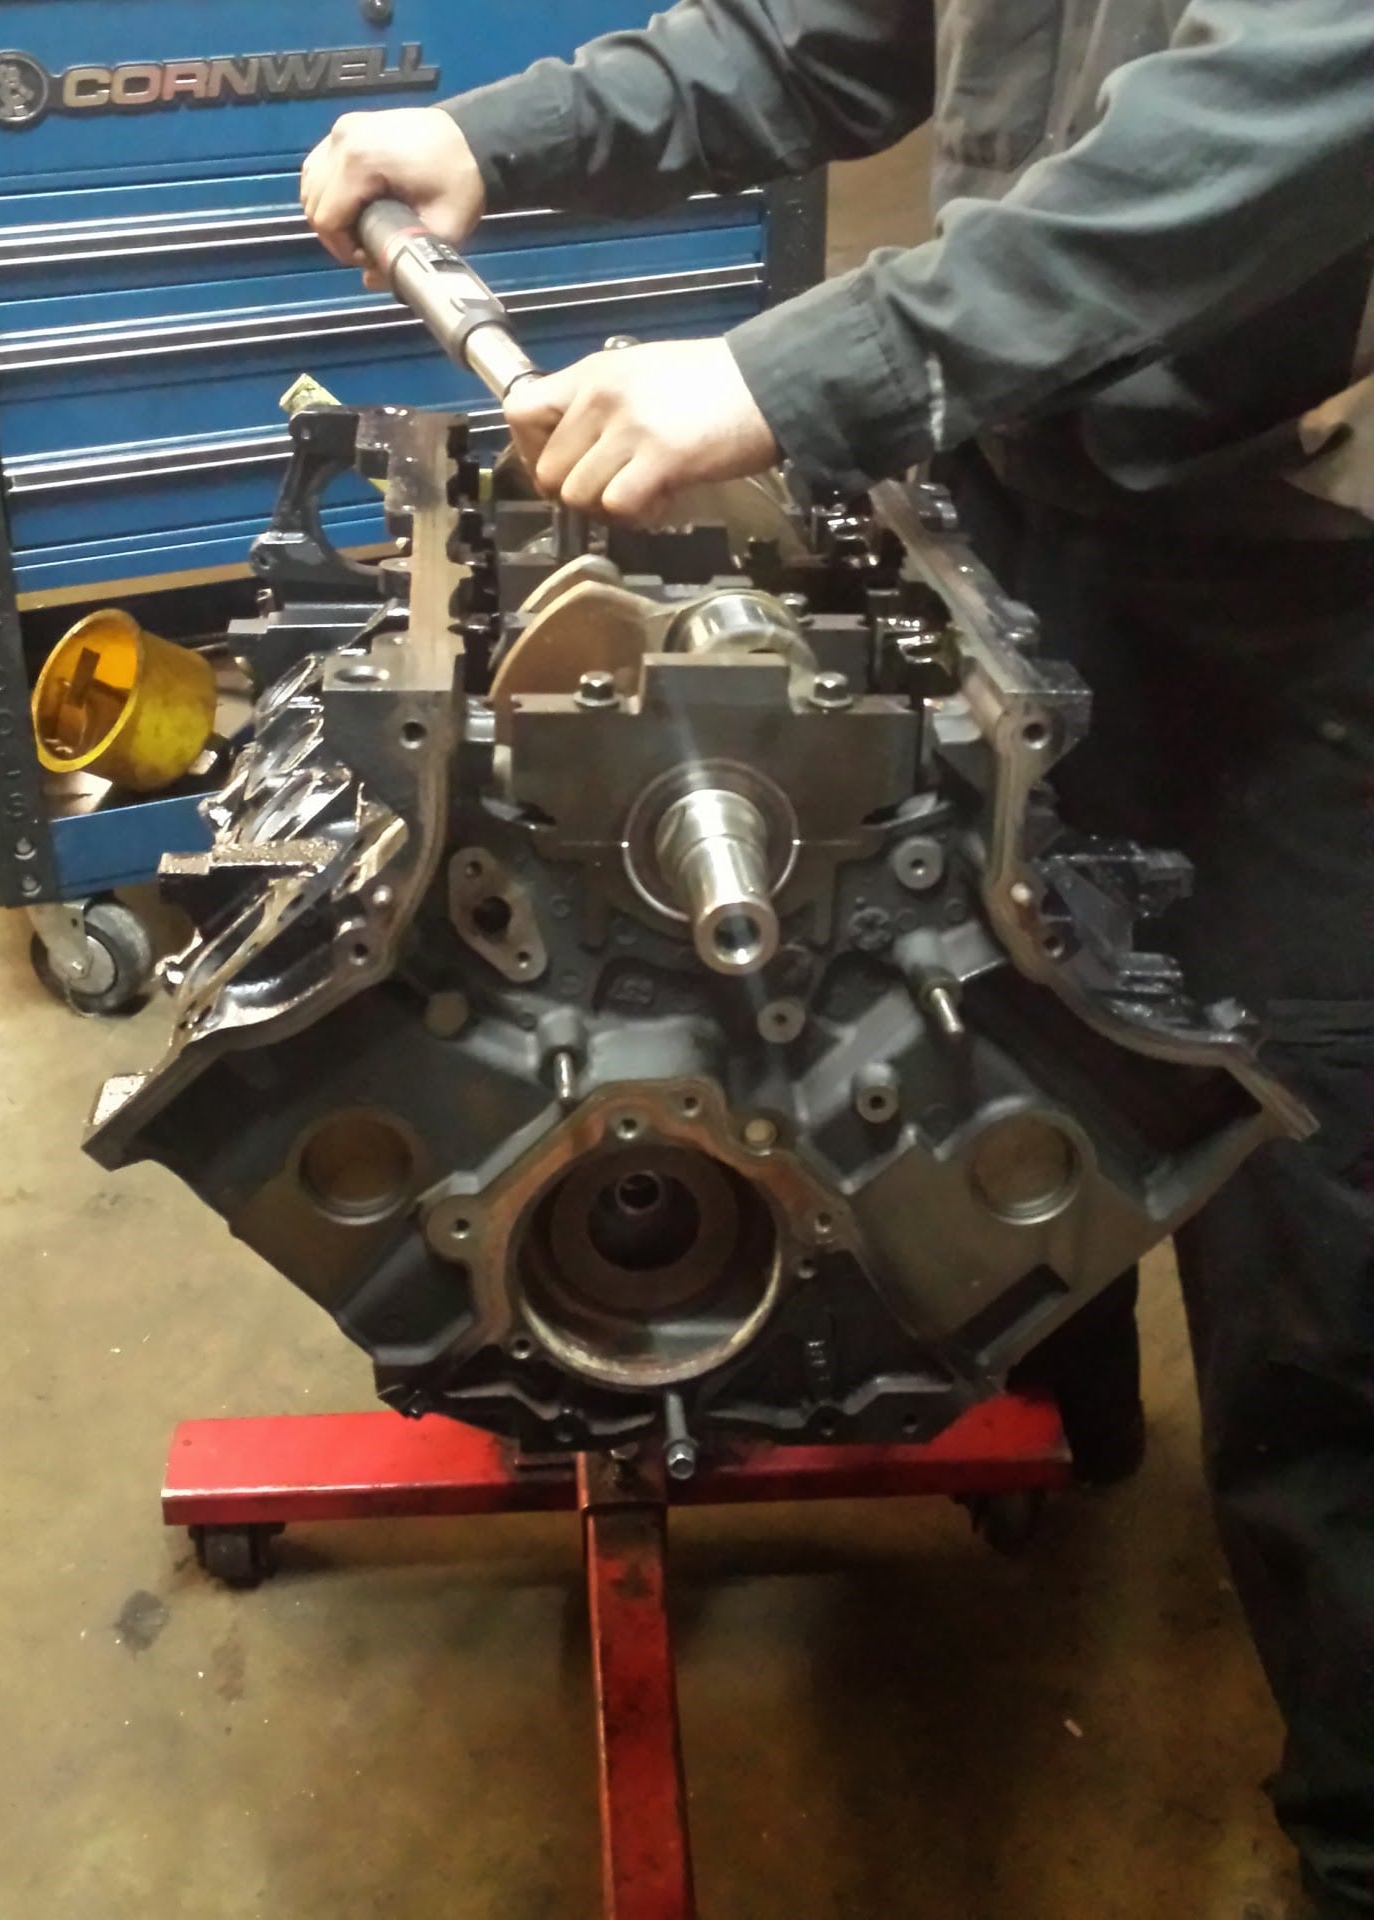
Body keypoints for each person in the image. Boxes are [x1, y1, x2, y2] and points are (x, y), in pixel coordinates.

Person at [301, 6, 1374, 1912]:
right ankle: (1053, 1422)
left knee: (1315, 1227)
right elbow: (826, 32)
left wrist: (805, 368)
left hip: (1299, 557)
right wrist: (502, 136)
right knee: (1018, 1018)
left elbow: (1292, 114)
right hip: (1017, 467)